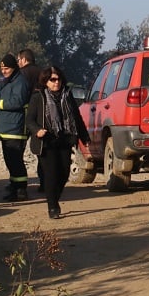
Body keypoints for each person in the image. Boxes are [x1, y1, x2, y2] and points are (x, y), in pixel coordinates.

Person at [25, 66, 89, 219]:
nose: (56, 82)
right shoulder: (38, 97)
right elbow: (29, 120)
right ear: (46, 81)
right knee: (51, 175)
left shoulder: (67, 95)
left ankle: (54, 197)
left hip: (64, 139)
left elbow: (77, 117)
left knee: (64, 173)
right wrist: (37, 130)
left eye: (58, 79)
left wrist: (84, 137)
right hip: (46, 142)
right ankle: (52, 206)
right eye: (52, 80)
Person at [0, 53, 30, 201]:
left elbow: (17, 101)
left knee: (15, 160)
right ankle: (14, 186)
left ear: (14, 68)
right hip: (6, 128)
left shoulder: (21, 82)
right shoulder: (6, 81)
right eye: (2, 69)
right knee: (9, 160)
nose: (4, 71)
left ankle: (21, 189)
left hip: (15, 128)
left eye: (6, 68)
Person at [18, 48, 44, 191]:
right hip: (40, 117)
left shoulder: (21, 74)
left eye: (18, 60)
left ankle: (20, 186)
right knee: (41, 151)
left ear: (23, 59)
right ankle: (44, 182)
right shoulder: (42, 73)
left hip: (25, 117)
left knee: (19, 150)